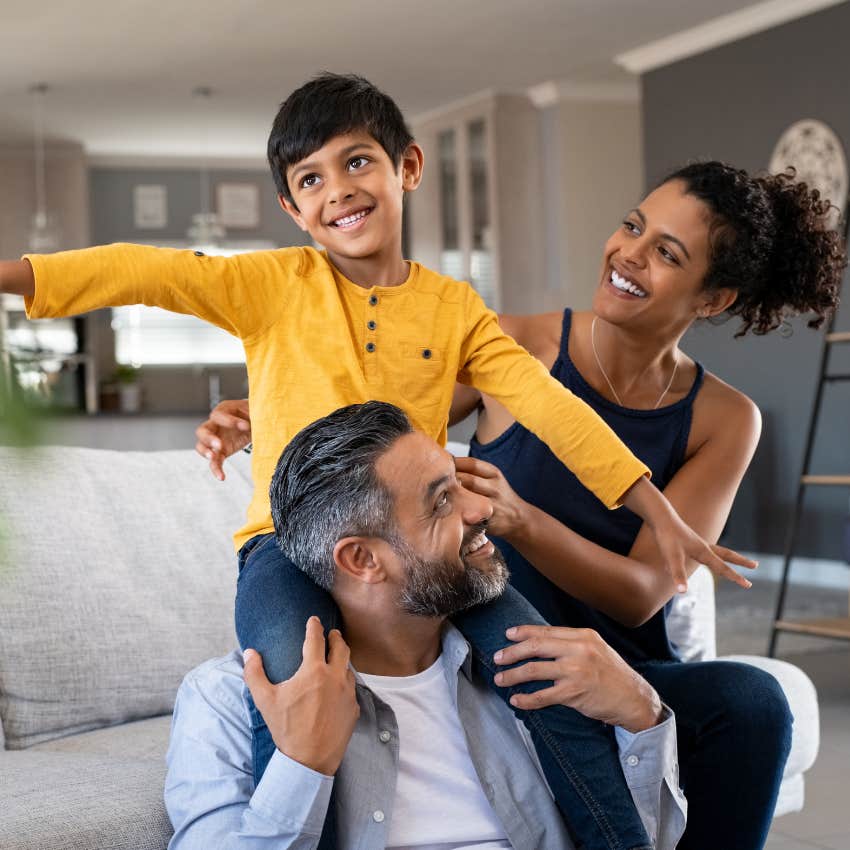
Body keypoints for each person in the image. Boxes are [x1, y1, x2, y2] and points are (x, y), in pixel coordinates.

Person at [0, 74, 755, 850]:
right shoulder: (268, 285)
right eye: (310, 179)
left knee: (546, 679)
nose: (339, 190)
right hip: (283, 550)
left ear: (408, 168)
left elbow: (549, 405)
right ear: (293, 210)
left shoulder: (455, 309)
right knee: (297, 690)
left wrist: (654, 508)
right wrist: (12, 277)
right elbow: (142, 270)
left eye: (358, 162)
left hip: (428, 551)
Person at [198, 160, 846, 850]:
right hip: (491, 655)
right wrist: (264, 417)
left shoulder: (724, 417)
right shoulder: (514, 343)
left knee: (753, 703)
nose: (629, 254)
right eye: (633, 226)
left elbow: (641, 596)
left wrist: (520, 521)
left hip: (615, 661)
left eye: (667, 253)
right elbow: (382, 432)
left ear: (712, 299)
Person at [165, 400, 687, 850]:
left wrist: (641, 715)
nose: (484, 508)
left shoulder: (534, 673)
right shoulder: (227, 700)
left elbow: (638, 837)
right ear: (363, 561)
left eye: (461, 484)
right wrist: (302, 764)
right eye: (442, 502)